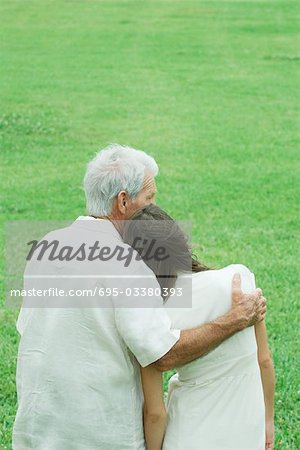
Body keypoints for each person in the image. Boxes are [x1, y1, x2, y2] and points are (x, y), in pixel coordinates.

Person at [12, 144, 267, 450]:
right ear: (123, 201)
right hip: (98, 437)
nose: (153, 207)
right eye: (149, 198)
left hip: (37, 431)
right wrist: (236, 319)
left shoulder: (46, 246)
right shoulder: (126, 262)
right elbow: (164, 355)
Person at [123, 204, 275, 450]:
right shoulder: (238, 278)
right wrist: (267, 420)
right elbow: (264, 360)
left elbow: (155, 413)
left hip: (190, 433)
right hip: (248, 427)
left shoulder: (155, 315)